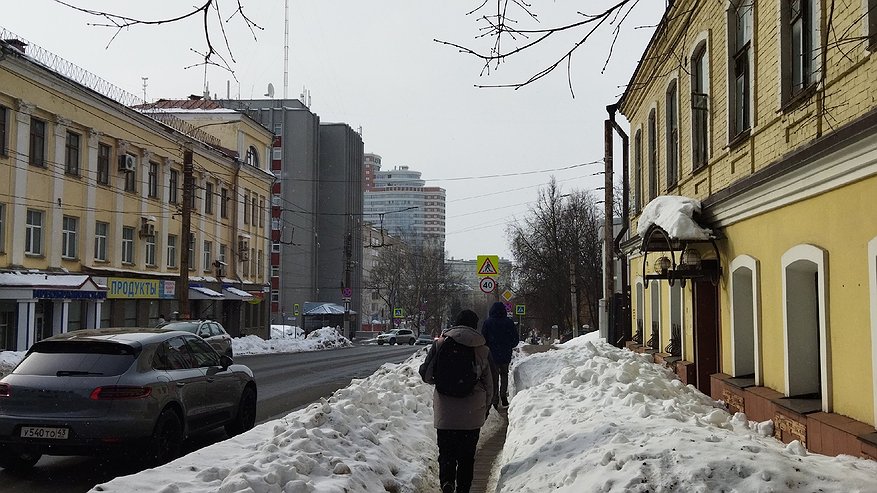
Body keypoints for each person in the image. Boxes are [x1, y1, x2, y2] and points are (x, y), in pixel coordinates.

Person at [419, 309, 493, 493]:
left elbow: (427, 376)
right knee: (467, 457)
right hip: (472, 415)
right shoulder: (482, 349)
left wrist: (443, 380)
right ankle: (463, 489)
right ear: (475, 326)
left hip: (446, 413)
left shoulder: (440, 344)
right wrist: (485, 409)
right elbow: (489, 385)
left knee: (446, 453)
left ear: (456, 323)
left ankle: (447, 483)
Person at [482, 301, 519, 409]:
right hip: (505, 354)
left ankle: (494, 399)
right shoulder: (509, 322)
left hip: (492, 355)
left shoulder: (488, 322)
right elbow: (515, 339)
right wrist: (508, 345)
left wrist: (488, 347)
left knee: (493, 377)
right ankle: (503, 396)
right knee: (504, 375)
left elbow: (483, 339)